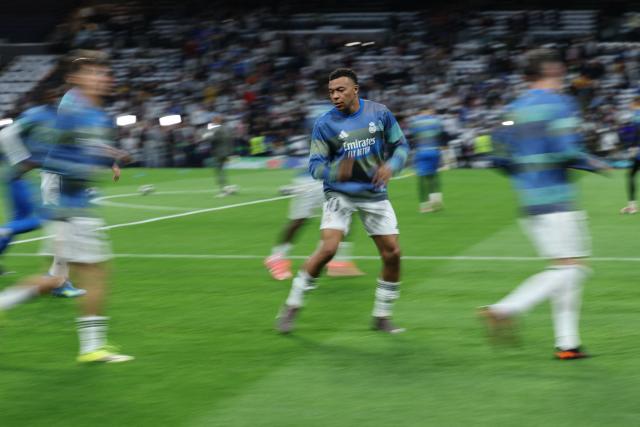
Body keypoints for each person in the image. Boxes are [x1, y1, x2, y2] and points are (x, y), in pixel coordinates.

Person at [0, 51, 133, 363]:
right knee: (94, 273)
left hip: (75, 202)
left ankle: (91, 347)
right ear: (74, 78)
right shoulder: (71, 107)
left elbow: (82, 147)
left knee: (61, 278)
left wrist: (111, 156)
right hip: (69, 205)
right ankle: (91, 348)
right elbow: (12, 133)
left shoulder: (92, 112)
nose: (101, 79)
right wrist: (25, 161)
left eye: (103, 73)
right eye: (92, 73)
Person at [478, 49, 609, 360]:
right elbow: (566, 150)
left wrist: (525, 174)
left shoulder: (514, 108)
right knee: (574, 270)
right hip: (556, 199)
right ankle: (506, 309)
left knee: (563, 267)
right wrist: (597, 163)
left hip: (529, 200)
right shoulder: (559, 104)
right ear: (554, 73)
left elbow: (497, 155)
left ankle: (568, 345)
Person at [276, 68, 409, 334]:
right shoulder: (325, 124)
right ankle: (291, 306)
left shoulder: (379, 113)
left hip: (374, 193)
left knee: (393, 254)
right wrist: (337, 171)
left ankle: (381, 316)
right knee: (329, 249)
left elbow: (401, 146)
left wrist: (391, 166)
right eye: (331, 92)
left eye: (340, 90)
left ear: (355, 90)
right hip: (340, 194)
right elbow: (315, 167)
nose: (335, 96)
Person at [0, 89, 85, 297]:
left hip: (24, 174)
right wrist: (21, 160)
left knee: (22, 218)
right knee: (44, 219)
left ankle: (58, 280)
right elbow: (6, 134)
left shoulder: (60, 121)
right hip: (17, 174)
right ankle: (58, 281)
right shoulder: (38, 114)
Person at [264, 169, 364, 280]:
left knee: (345, 215)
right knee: (299, 221)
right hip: (309, 180)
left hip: (334, 181)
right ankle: (277, 257)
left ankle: (337, 261)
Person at [407, 107, 445, 213]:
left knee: (422, 179)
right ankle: (436, 201)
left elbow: (414, 136)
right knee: (433, 176)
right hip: (434, 151)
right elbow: (439, 134)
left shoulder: (414, 121)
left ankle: (424, 206)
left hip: (421, 151)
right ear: (429, 111)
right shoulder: (436, 120)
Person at [203, 113, 236, 197]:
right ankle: (229, 188)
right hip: (227, 152)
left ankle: (224, 190)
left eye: (213, 120)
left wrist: (206, 136)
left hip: (219, 153)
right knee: (222, 171)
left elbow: (213, 139)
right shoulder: (226, 128)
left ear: (216, 120)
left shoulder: (217, 129)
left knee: (219, 171)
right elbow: (231, 140)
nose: (212, 122)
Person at [620, 96, 640, 214]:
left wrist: (633, 147)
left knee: (631, 175)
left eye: (630, 103)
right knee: (631, 174)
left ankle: (632, 206)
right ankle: (631, 206)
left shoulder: (637, 114)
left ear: (635, 103)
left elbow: (637, 132)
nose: (629, 106)